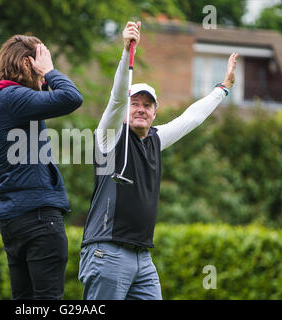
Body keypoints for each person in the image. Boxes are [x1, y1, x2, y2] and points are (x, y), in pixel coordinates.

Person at [78, 21, 238, 300]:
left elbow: (192, 118)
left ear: (154, 112)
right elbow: (117, 98)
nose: (140, 109)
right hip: (107, 251)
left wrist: (223, 87)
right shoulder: (109, 135)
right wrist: (127, 52)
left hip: (142, 259)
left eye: (147, 105)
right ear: (127, 110)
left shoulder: (156, 138)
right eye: (135, 104)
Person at [0, 35, 83, 299]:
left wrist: (43, 79)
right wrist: (49, 72)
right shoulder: (13, 97)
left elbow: (48, 102)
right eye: (40, 64)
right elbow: (72, 97)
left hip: (14, 217)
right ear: (28, 63)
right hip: (39, 217)